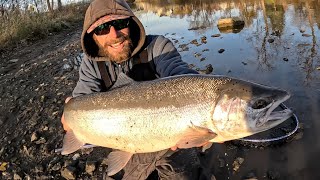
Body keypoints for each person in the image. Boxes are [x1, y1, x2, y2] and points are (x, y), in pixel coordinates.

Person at [61, 0, 214, 179]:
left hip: (171, 139)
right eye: (102, 29)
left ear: (131, 23)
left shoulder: (158, 46)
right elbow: (81, 100)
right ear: (92, 35)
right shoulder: (92, 65)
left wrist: (210, 111)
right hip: (124, 141)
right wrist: (70, 116)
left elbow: (181, 74)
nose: (114, 34)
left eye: (120, 23)